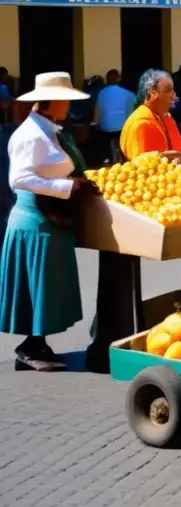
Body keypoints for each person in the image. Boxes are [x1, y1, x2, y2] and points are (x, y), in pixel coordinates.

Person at [0, 73, 94, 371]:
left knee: (47, 286)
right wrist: (67, 187)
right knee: (38, 286)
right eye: (65, 100)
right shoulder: (31, 135)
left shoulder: (49, 129)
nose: (68, 106)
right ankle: (30, 347)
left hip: (52, 218)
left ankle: (36, 344)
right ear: (50, 101)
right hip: (36, 220)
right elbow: (20, 178)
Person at [119, 69, 181, 161]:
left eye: (173, 90)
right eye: (168, 90)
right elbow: (142, 168)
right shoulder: (141, 124)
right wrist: (160, 157)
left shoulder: (165, 117)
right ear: (152, 94)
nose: (174, 95)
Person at [93, 69, 135, 163]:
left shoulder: (102, 93)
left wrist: (95, 123)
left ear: (106, 80)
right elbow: (134, 110)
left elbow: (97, 113)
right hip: (122, 129)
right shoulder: (128, 94)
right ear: (118, 78)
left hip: (106, 130)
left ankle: (107, 159)